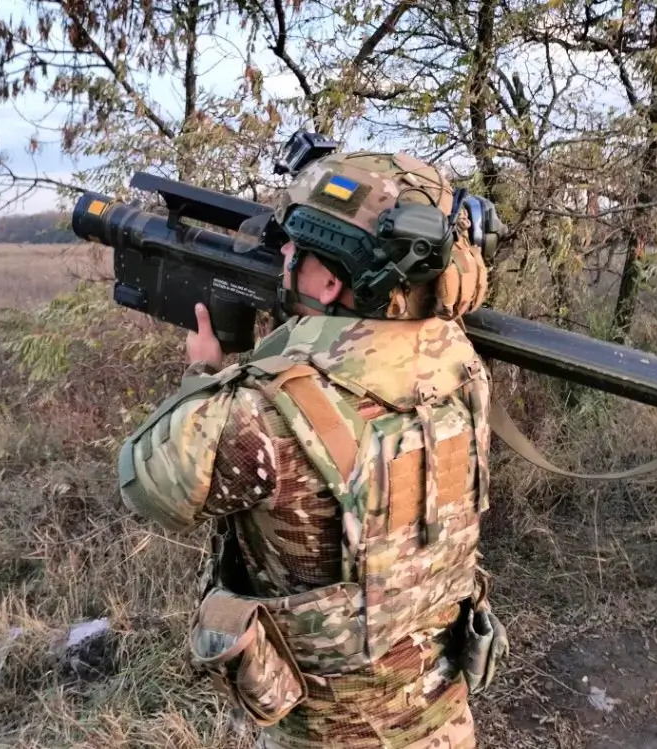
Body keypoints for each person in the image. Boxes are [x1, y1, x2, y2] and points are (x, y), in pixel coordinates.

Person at [117, 150, 509, 749]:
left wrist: (202, 374)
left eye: (295, 249)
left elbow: (146, 484)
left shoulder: (259, 413)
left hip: (326, 733)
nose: (281, 257)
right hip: (442, 717)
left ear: (330, 280)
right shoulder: (459, 364)